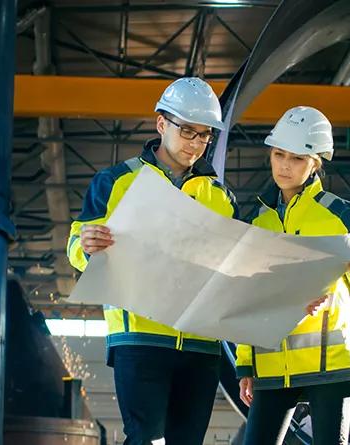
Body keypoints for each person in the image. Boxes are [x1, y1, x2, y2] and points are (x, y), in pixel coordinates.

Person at [67, 77, 236, 445]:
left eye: (204, 135)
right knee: (146, 439)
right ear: (162, 123)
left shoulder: (220, 196)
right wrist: (85, 245)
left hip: (202, 344)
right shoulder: (116, 181)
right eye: (187, 131)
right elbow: (78, 244)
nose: (196, 144)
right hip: (140, 338)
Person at [233, 106, 350, 445]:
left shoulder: (341, 214)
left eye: (297, 158)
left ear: (315, 163)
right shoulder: (257, 222)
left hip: (328, 364)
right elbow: (247, 297)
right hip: (272, 363)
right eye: (278, 154)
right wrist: (245, 366)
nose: (285, 165)